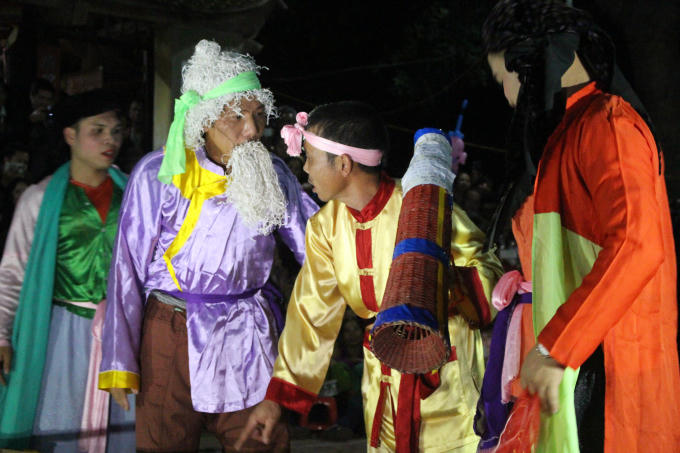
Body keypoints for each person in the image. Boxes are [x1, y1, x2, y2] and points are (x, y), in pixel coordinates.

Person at [237, 101, 503, 452]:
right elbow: (310, 316)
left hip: (447, 377)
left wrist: (442, 284)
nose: (305, 169)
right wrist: (277, 399)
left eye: (311, 158)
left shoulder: (422, 205)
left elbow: (491, 275)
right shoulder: (325, 227)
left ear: (343, 164)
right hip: (383, 379)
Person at [98, 39, 317, 452]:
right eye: (237, 116)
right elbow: (126, 267)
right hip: (171, 330)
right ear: (205, 118)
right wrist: (119, 359)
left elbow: (319, 246)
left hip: (248, 333)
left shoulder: (273, 174)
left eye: (258, 114)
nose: (252, 129)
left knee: (261, 444)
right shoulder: (161, 172)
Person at [481, 1, 680, 452]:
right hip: (579, 362)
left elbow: (637, 244)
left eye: (501, 79)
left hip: (610, 368)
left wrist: (555, 346)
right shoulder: (567, 134)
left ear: (530, 63)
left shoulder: (607, 125)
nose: (507, 97)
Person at [0, 89, 135, 452]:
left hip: (121, 333)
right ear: (70, 135)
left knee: (121, 430)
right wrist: (2, 336)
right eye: (98, 131)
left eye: (116, 131)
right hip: (61, 332)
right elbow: (12, 273)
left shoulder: (135, 195)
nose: (110, 140)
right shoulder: (40, 200)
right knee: (60, 425)